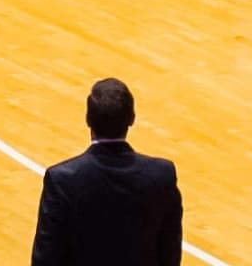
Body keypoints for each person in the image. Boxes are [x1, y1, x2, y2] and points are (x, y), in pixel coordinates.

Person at [29, 77, 179, 266]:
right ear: (132, 118)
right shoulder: (162, 176)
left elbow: (45, 259)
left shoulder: (62, 180)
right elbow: (170, 255)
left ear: (88, 120)